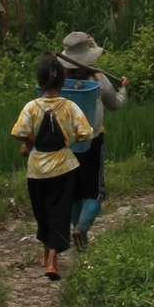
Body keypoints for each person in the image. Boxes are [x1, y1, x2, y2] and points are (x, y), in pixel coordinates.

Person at [11, 51, 95, 281]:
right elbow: (87, 132)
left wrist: (30, 143)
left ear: (40, 82)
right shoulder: (69, 106)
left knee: (42, 212)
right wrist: (69, 141)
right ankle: (52, 260)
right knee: (59, 211)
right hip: (63, 168)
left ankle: (47, 254)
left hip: (37, 169)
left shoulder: (32, 107)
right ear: (61, 82)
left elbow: (19, 132)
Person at [56, 30, 129, 251]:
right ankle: (82, 228)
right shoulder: (97, 78)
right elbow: (114, 104)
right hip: (92, 142)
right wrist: (124, 89)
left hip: (65, 145)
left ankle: (79, 235)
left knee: (74, 192)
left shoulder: (58, 80)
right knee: (95, 192)